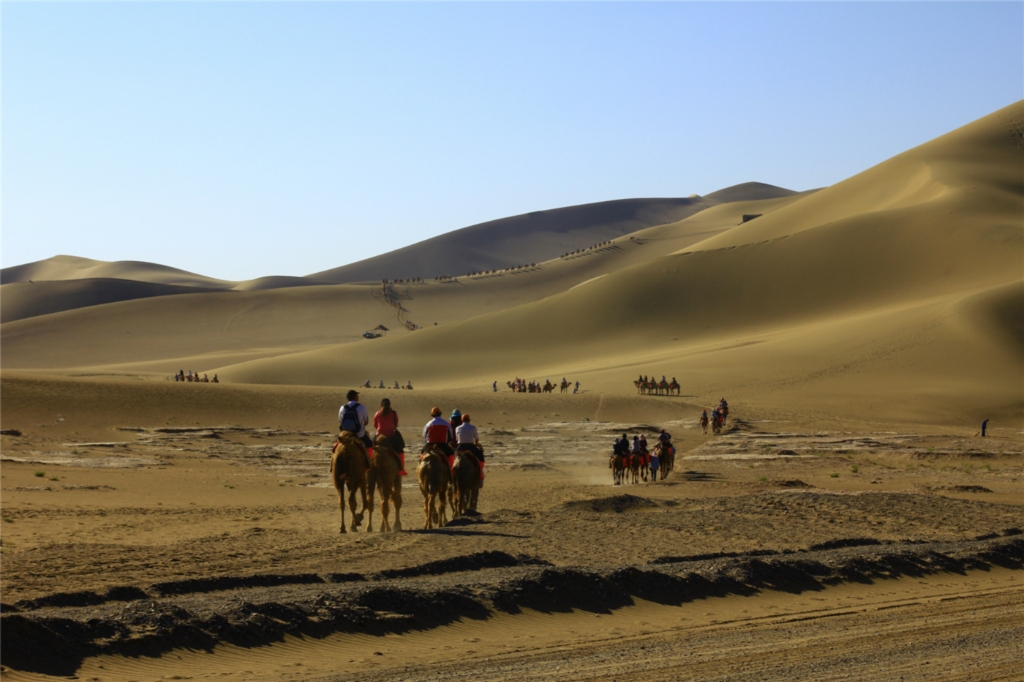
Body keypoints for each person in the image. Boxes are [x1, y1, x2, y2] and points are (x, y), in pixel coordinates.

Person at [338, 389, 372, 464]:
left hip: (345, 435)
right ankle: (369, 463)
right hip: (358, 434)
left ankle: (332, 466)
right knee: (369, 444)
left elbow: (340, 421)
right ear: (355, 397)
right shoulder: (362, 407)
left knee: (335, 448)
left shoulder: (342, 408)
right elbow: (366, 422)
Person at [455, 413, 485, 485]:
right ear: (469, 420)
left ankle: (453, 476)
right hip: (471, 447)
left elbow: (457, 439)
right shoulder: (473, 427)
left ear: (462, 420)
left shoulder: (457, 428)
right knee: (481, 458)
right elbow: (476, 439)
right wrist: (476, 444)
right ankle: (481, 476)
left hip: (461, 447)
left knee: (454, 459)